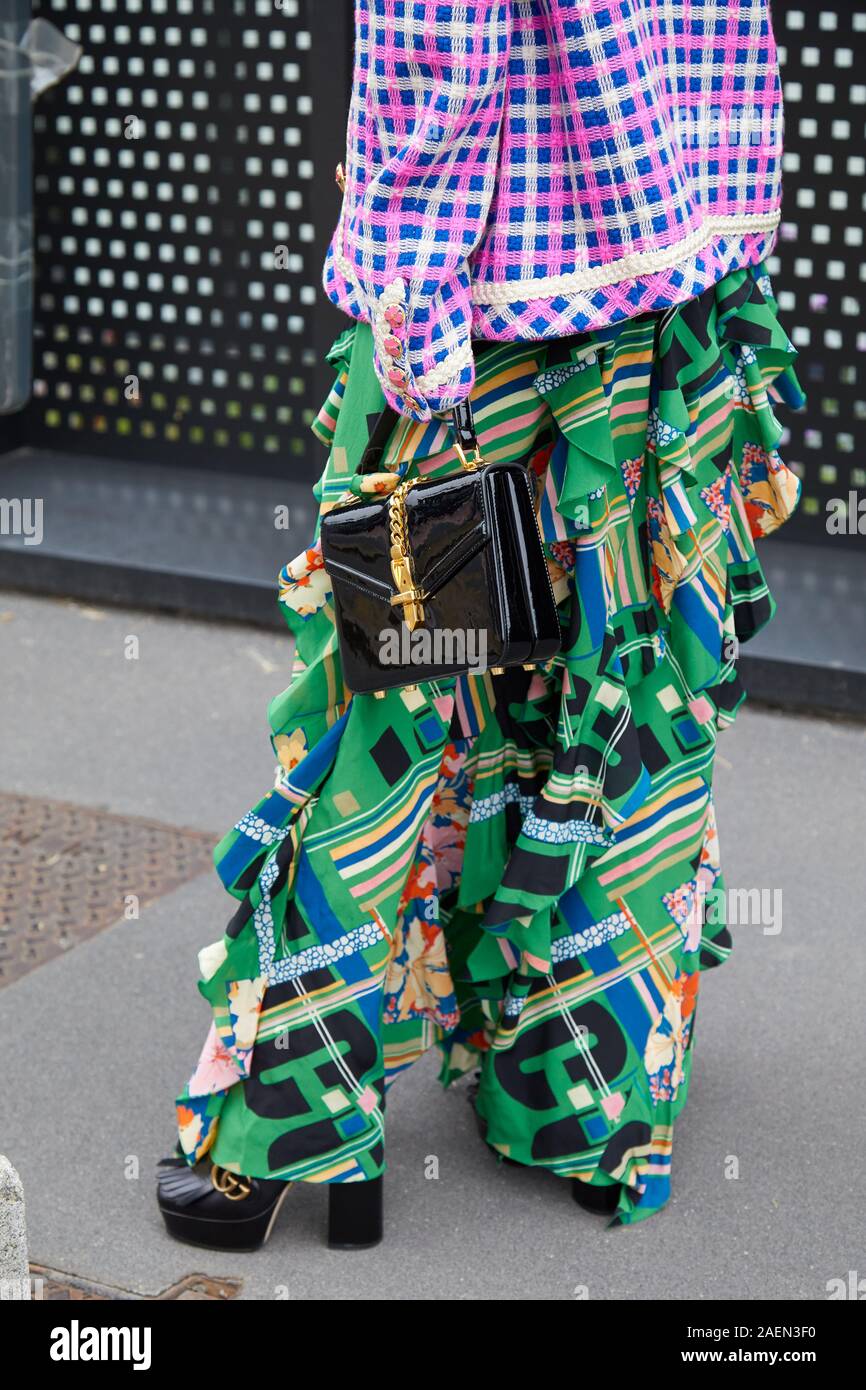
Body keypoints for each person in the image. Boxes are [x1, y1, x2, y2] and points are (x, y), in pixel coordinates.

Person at [157, 0, 804, 1251]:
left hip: (490, 311)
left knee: (384, 708)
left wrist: (406, 314)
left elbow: (439, 46)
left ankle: (290, 1122)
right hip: (677, 286)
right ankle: (587, 1096)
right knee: (620, 692)